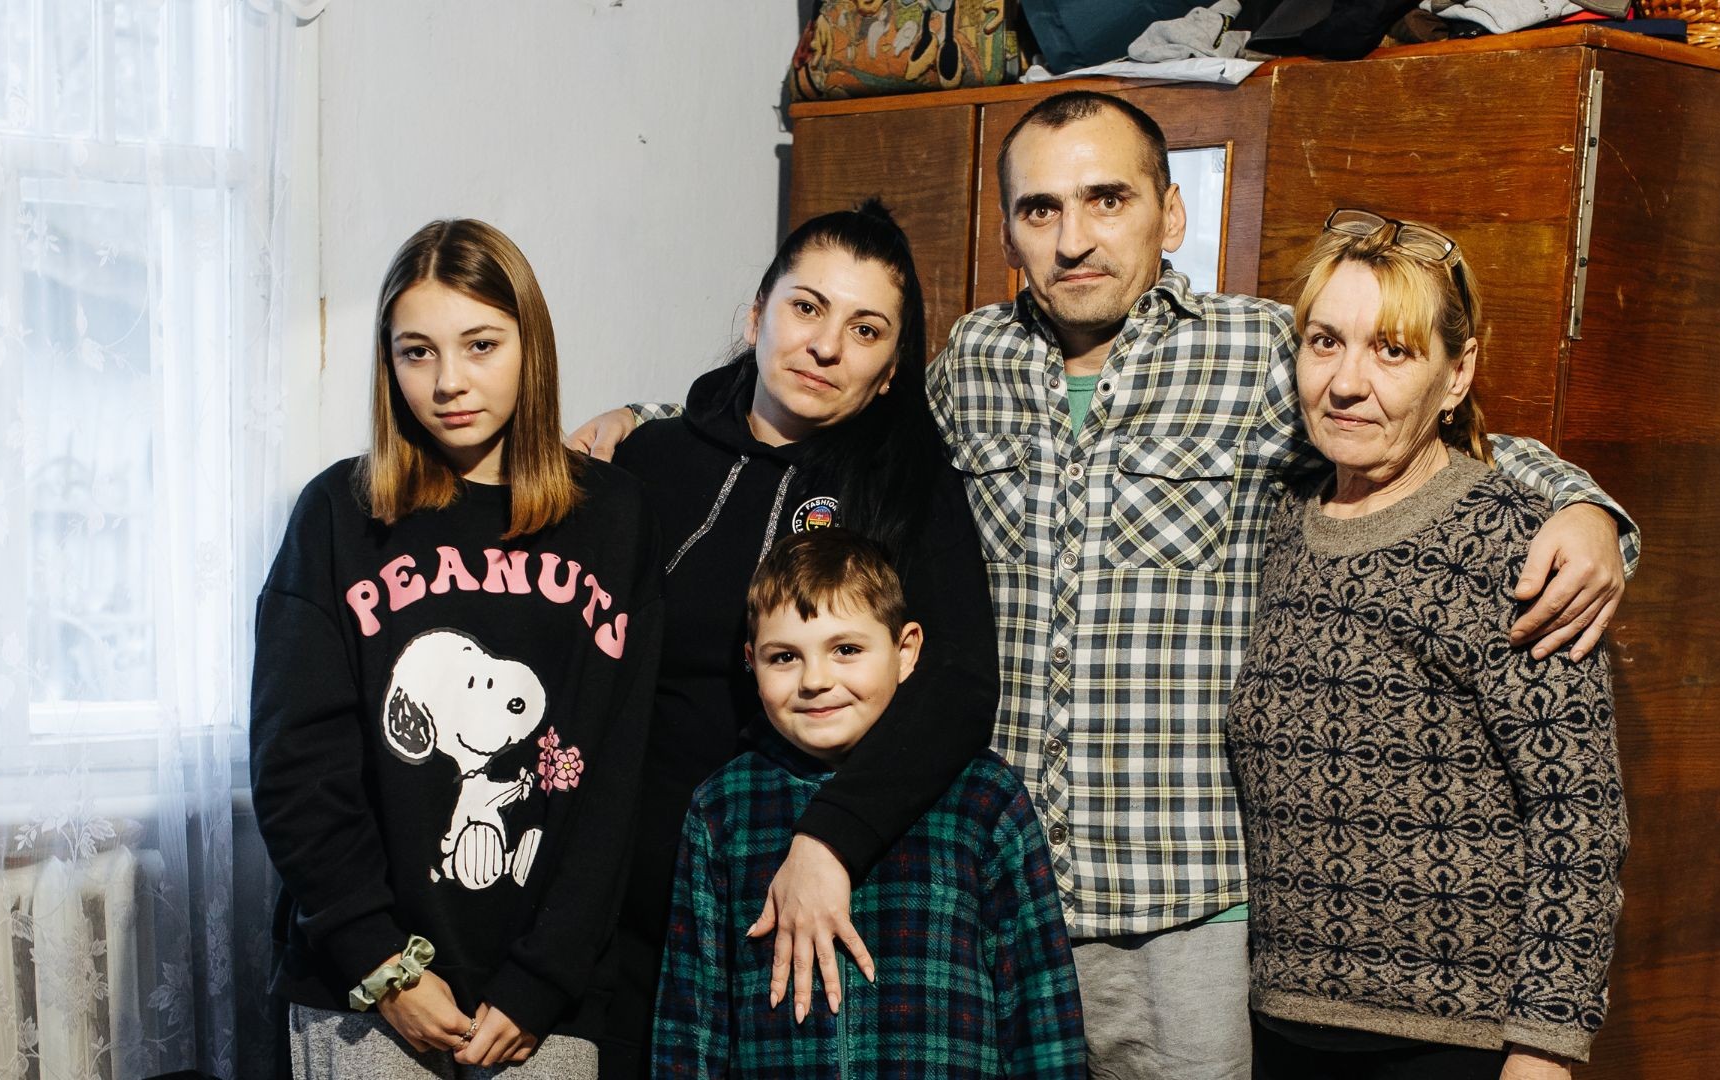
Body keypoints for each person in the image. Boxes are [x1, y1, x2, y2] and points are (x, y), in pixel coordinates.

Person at [574, 92, 1636, 1077]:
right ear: (1009, 232)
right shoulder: (971, 364)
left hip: (1182, 908)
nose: (1073, 237)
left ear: (1171, 213)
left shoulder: (1262, 353)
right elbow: (818, 394)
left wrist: (1587, 509)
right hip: (988, 881)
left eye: (1107, 199)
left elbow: (1416, 420)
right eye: (1041, 208)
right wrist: (640, 423)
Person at [250, 219, 663, 1077]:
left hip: (546, 1003)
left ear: (531, 346)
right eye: (416, 352)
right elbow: (296, 764)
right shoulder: (338, 515)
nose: (448, 382)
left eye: (480, 345)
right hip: (365, 991)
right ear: (388, 363)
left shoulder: (614, 518)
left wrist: (543, 977)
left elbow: (616, 777)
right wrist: (382, 963)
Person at [598, 200, 1000, 1075]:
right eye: (806, 307)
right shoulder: (650, 462)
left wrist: (829, 840)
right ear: (757, 316)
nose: (826, 346)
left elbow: (961, 684)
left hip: (797, 902)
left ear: (892, 370)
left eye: (865, 330)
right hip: (625, 913)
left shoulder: (912, 490)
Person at [1226, 209, 1629, 1079]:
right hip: (1280, 1025)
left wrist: (1544, 1050)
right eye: (1325, 341)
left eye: (1394, 350)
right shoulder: (1278, 520)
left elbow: (1578, 819)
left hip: (1455, 1046)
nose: (1346, 381)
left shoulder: (1515, 544)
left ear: (1457, 374)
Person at [652, 530, 1085, 1078]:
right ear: (750, 662)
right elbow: (690, 1021)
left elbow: (1040, 1005)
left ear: (905, 652)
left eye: (847, 650)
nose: (815, 680)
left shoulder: (983, 797)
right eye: (784, 656)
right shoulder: (722, 810)